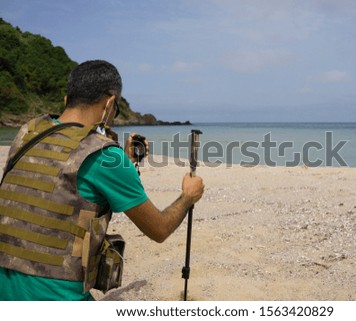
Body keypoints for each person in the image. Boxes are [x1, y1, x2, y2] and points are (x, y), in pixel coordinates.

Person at [0, 60, 204, 300]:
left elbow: (60, 188)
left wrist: (124, 163)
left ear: (67, 99)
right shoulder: (105, 156)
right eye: (116, 110)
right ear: (109, 103)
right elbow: (159, 229)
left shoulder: (28, 132)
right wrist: (188, 196)